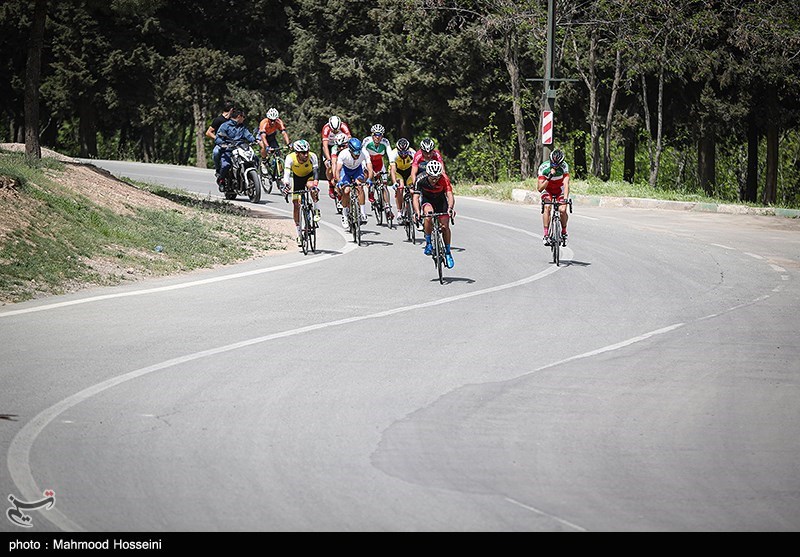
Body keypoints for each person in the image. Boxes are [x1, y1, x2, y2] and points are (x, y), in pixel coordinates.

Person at [412, 159, 455, 269]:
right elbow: (416, 197)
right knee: (428, 214)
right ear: (427, 174)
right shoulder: (420, 179)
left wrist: (450, 208)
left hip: (441, 201)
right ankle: (428, 243)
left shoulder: (444, 179)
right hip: (427, 200)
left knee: (445, 226)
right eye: (432, 178)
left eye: (437, 178)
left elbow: (450, 195)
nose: (435, 180)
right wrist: (417, 212)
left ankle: (448, 252)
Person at [281, 139, 320, 246]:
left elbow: (316, 171)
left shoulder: (312, 156)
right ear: (297, 153)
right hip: (297, 179)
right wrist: (286, 184)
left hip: (309, 176)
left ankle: (316, 210)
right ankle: (299, 234)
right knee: (296, 205)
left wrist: (315, 185)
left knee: (311, 187)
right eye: (303, 153)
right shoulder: (290, 158)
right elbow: (287, 174)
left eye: (307, 151)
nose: (306, 154)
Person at [334, 137, 374, 229]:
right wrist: (339, 181)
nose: (357, 155)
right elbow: (337, 170)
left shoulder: (364, 153)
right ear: (350, 150)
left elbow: (370, 169)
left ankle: (363, 213)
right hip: (346, 171)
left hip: (357, 170)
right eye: (355, 153)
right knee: (347, 191)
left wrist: (369, 179)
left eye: (358, 152)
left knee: (359, 186)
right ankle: (344, 215)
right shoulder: (343, 154)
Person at [361, 123, 398, 218]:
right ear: (372, 135)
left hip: (379, 162)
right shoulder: (367, 141)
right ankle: (371, 189)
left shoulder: (385, 142)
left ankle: (387, 208)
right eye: (376, 135)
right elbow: (364, 156)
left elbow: (390, 157)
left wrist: (392, 165)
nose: (378, 137)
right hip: (367, 161)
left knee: (384, 185)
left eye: (380, 135)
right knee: (368, 176)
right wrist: (370, 172)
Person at [214, 108, 258, 189]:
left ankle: (251, 177)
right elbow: (218, 138)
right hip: (228, 150)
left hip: (241, 148)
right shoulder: (225, 126)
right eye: (243, 116)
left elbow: (248, 135)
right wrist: (222, 144)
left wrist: (255, 140)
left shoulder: (242, 127)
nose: (244, 118)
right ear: (239, 116)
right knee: (225, 165)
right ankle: (221, 180)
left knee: (255, 158)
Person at [537, 148, 570, 245]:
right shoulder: (543, 167)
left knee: (563, 210)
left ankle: (564, 233)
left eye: (558, 164)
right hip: (547, 189)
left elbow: (566, 184)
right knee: (547, 207)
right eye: (553, 163)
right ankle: (546, 235)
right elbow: (539, 188)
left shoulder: (564, 166)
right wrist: (549, 177)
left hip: (560, 190)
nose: (555, 166)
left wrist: (565, 199)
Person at [321, 115, 352, 191]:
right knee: (329, 166)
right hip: (329, 146)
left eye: (337, 130)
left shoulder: (343, 126)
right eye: (333, 131)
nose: (335, 132)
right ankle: (331, 185)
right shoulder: (326, 128)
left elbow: (350, 140)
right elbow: (325, 146)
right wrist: (329, 159)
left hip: (341, 144)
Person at [206, 100, 235, 174]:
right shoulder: (218, 120)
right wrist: (217, 139)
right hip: (221, 144)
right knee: (216, 152)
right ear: (231, 110)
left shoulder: (233, 120)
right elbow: (208, 132)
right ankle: (218, 169)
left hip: (233, 143)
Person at [393, 138, 414, 224]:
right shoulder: (393, 154)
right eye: (401, 152)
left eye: (405, 152)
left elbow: (416, 168)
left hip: (409, 172)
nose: (403, 154)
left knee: (412, 190)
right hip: (398, 172)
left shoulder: (413, 153)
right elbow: (393, 170)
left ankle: (410, 210)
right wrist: (394, 182)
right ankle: (399, 212)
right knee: (400, 188)